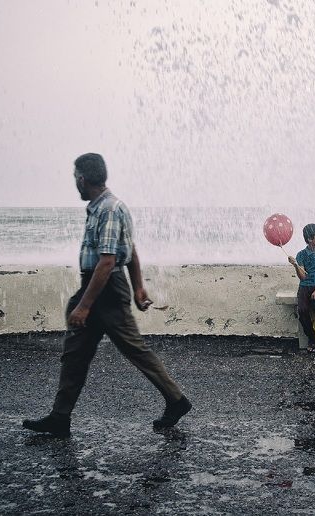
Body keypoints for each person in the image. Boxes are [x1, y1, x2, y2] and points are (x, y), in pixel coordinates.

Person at [23, 153, 191, 437]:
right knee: (75, 354)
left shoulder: (109, 209)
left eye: (75, 178)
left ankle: (177, 400)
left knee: (134, 348)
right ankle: (60, 417)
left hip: (106, 289)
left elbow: (108, 261)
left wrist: (84, 306)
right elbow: (131, 249)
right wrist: (138, 286)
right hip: (100, 285)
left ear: (82, 179)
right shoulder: (103, 207)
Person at [287, 224, 315, 355]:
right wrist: (296, 265)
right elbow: (303, 277)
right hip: (305, 287)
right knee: (302, 310)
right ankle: (312, 339)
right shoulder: (301, 254)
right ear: (309, 239)